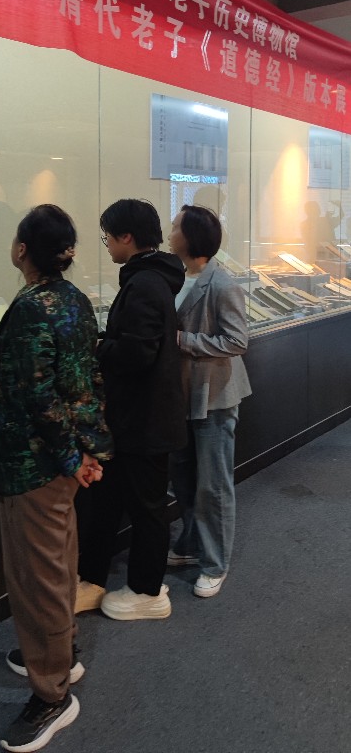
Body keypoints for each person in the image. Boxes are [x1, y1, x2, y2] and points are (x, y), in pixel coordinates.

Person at [0, 204, 113, 753]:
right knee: (58, 564)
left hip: (33, 465)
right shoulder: (75, 299)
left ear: (21, 250)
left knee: (35, 580)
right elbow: (85, 380)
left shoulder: (32, 307)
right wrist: (86, 451)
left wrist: (68, 457)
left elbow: (38, 395)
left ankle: (52, 693)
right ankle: (63, 653)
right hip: (61, 460)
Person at [79, 198, 187, 621]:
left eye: (107, 235)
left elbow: (137, 353)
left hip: (144, 420)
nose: (106, 243)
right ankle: (92, 579)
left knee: (147, 509)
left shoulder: (144, 284)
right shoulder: (152, 278)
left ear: (126, 237)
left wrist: (98, 347)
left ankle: (147, 590)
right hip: (136, 419)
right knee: (109, 502)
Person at [167, 204, 251, 598]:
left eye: (175, 226)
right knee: (183, 477)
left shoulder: (222, 283)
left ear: (191, 237)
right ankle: (190, 544)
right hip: (182, 396)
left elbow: (236, 341)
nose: (170, 231)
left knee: (213, 485)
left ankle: (216, 563)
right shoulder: (176, 276)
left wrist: (184, 341)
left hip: (214, 397)